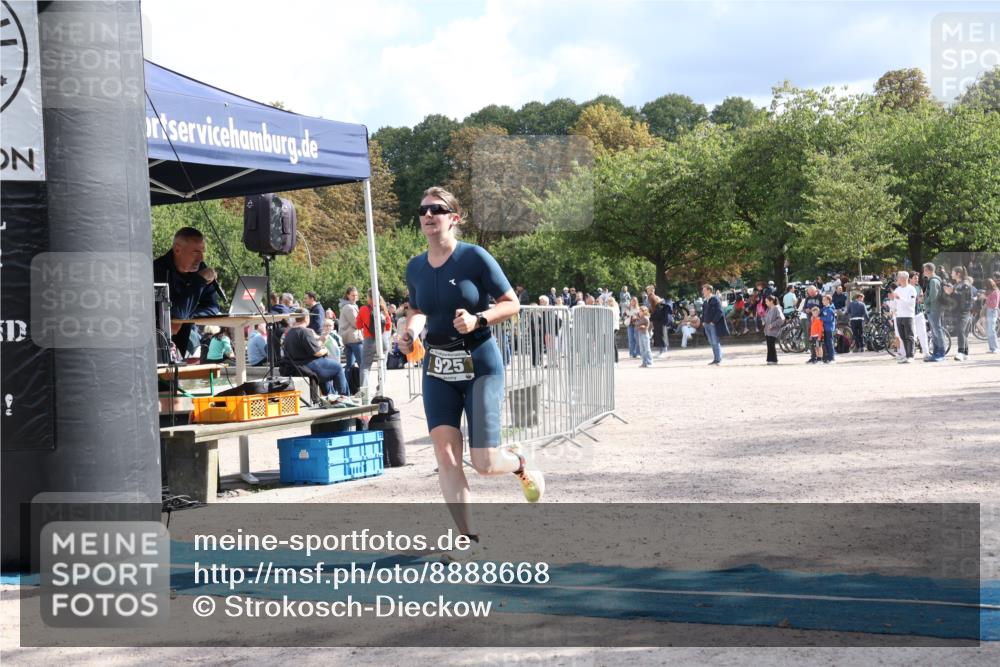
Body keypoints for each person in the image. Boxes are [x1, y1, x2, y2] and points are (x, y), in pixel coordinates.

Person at [397, 186, 543, 547]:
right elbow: (417, 309)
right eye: (423, 210)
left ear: (454, 218)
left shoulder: (474, 257)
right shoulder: (415, 266)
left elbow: (511, 304)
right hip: (438, 366)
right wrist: (411, 332)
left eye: (438, 209)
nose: (429, 215)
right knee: (446, 455)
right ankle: (468, 538)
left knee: (484, 463)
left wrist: (479, 319)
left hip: (479, 362)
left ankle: (519, 462)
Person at [152, 227, 221, 355]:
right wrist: (200, 280)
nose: (201, 258)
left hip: (183, 342)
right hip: (157, 346)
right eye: (195, 252)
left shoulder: (201, 268)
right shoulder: (157, 271)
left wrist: (186, 319)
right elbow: (178, 310)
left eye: (202, 252)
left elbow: (213, 307)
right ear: (177, 249)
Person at [282, 308, 349, 396]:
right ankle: (343, 396)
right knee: (338, 367)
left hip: (296, 366)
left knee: (327, 368)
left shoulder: (289, 333)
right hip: (308, 365)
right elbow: (316, 352)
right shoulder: (305, 332)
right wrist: (325, 350)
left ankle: (329, 396)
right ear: (306, 318)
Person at [357, 289, 393, 390]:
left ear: (369, 297)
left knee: (365, 365)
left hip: (369, 340)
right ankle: (380, 388)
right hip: (383, 340)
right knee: (383, 364)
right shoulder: (383, 309)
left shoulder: (364, 309)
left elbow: (358, 325)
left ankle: (365, 390)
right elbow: (389, 326)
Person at [922, 263, 947, 362]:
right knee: (934, 331)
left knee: (937, 330)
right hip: (932, 309)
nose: (923, 272)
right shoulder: (932, 280)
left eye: (924, 270)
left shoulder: (933, 281)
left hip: (934, 309)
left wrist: (925, 301)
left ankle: (941, 353)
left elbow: (933, 296)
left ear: (929, 270)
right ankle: (936, 352)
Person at [892, 270, 917, 363]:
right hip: (899, 316)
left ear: (903, 278)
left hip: (908, 315)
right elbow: (895, 302)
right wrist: (893, 309)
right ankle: (907, 355)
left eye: (898, 277)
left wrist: (900, 298)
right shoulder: (897, 289)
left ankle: (911, 356)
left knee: (909, 336)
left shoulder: (911, 289)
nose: (897, 279)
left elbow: (911, 303)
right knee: (902, 336)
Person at [949, 266, 974, 361]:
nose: (951, 274)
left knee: (961, 331)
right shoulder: (957, 284)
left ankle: (960, 352)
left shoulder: (965, 284)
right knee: (962, 332)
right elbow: (955, 298)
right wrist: (950, 293)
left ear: (958, 274)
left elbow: (963, 299)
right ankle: (966, 353)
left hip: (964, 311)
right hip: (958, 311)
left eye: (952, 272)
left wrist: (952, 292)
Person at [338, 286, 364, 373]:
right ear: (348, 295)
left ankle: (347, 386)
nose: (355, 297)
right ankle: (363, 385)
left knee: (350, 365)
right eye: (353, 295)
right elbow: (357, 324)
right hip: (354, 339)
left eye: (356, 295)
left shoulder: (347, 306)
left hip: (348, 339)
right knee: (362, 364)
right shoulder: (349, 307)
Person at [700, 284, 727, 365]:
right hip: (706, 324)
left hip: (713, 324)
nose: (702, 292)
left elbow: (720, 312)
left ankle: (718, 359)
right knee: (711, 342)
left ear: (709, 290)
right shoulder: (705, 301)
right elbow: (704, 313)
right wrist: (703, 322)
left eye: (704, 290)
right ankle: (715, 359)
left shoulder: (715, 299)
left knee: (715, 341)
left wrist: (713, 322)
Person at [908, 271, 930, 358]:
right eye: (915, 278)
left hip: (919, 312)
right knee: (912, 334)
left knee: (923, 333)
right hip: (910, 314)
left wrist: (920, 298)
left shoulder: (918, 287)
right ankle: (911, 352)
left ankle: (926, 352)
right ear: (910, 279)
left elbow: (921, 298)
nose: (917, 279)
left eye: (917, 278)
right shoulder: (908, 288)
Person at [763, 294, 784, 364]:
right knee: (769, 345)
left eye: (767, 301)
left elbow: (781, 319)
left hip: (773, 330)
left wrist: (773, 325)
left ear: (771, 301)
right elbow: (766, 318)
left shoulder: (777, 308)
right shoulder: (768, 309)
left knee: (771, 345)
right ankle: (770, 359)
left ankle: (773, 360)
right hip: (767, 330)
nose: (765, 303)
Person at [820, 294, 838, 364]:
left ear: (828, 301)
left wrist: (821, 318)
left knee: (830, 343)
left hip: (829, 329)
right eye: (822, 300)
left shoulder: (830, 309)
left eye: (824, 300)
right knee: (826, 343)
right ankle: (827, 357)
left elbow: (829, 319)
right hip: (825, 328)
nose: (822, 301)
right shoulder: (824, 308)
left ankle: (832, 357)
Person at [984, 278, 999, 354]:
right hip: (989, 311)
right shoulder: (991, 292)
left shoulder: (995, 292)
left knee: (991, 330)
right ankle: (991, 348)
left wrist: (986, 298)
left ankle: (995, 348)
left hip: (992, 311)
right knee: (989, 330)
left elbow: (994, 304)